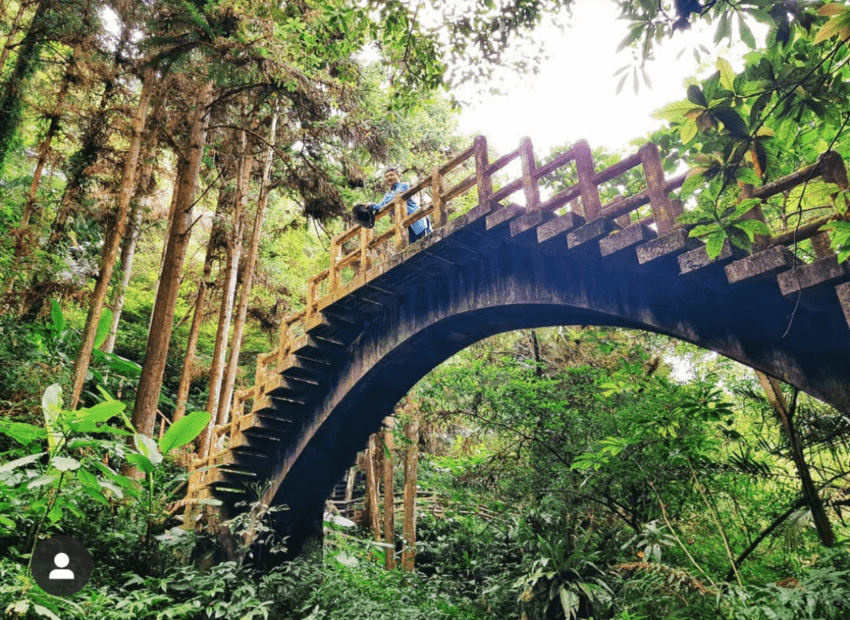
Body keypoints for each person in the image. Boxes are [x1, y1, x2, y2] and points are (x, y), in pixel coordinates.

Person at [370, 167, 432, 243]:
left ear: (398, 176)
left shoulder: (403, 185)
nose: (389, 177)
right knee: (412, 245)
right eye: (387, 176)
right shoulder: (387, 194)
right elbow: (381, 206)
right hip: (404, 222)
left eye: (391, 175)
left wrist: (376, 206)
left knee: (425, 241)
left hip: (415, 217)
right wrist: (371, 206)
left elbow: (394, 198)